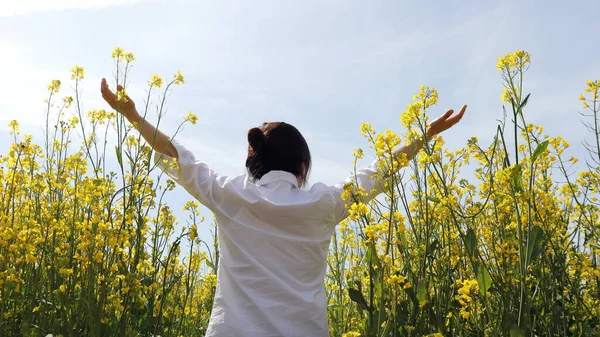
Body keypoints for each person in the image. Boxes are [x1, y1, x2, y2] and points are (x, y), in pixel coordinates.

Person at [101, 78, 466, 337]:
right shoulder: (324, 203)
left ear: (253, 156)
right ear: (302, 166)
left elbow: (178, 157)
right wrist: (424, 135)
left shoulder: (230, 195)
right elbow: (378, 173)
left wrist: (133, 116)